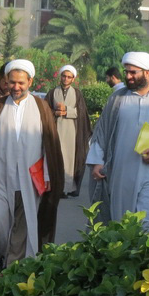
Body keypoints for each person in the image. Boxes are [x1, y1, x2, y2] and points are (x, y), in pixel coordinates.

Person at [0, 60, 64, 279]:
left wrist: (48, 174)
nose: (16, 87)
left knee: (25, 224)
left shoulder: (41, 107)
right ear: (6, 82)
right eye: (11, 82)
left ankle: (12, 266)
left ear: (30, 82)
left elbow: (49, 144)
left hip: (31, 178)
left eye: (20, 83)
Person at [87, 52, 149, 233]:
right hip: (121, 174)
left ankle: (148, 259)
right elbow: (101, 131)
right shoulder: (117, 99)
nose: (128, 77)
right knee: (123, 226)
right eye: (126, 72)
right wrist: (97, 161)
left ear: (147, 72)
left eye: (133, 72)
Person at [44, 65, 92, 198]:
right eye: (64, 76)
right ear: (61, 77)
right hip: (56, 131)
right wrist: (55, 112)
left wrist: (67, 111)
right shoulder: (52, 92)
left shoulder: (77, 93)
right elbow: (44, 111)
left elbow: (82, 113)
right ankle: (55, 187)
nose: (66, 79)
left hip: (72, 132)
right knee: (56, 159)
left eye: (69, 77)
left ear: (73, 79)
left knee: (69, 160)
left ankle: (67, 188)